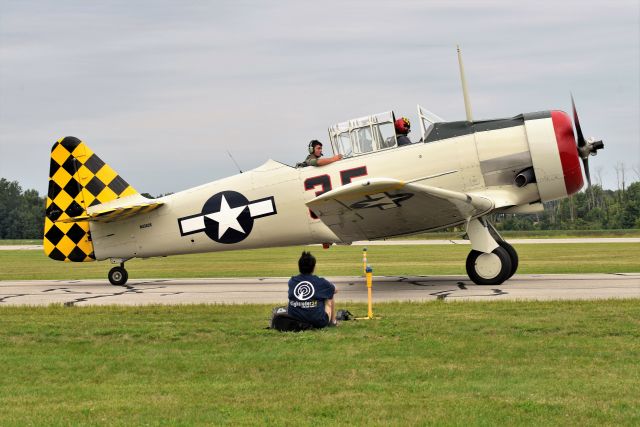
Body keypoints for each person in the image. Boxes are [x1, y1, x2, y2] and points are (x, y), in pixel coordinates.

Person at [287, 251, 338, 328]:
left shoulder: (292, 281)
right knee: (329, 295)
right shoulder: (320, 282)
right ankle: (333, 322)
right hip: (318, 322)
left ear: (299, 267)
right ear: (314, 267)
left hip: (295, 321)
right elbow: (335, 290)